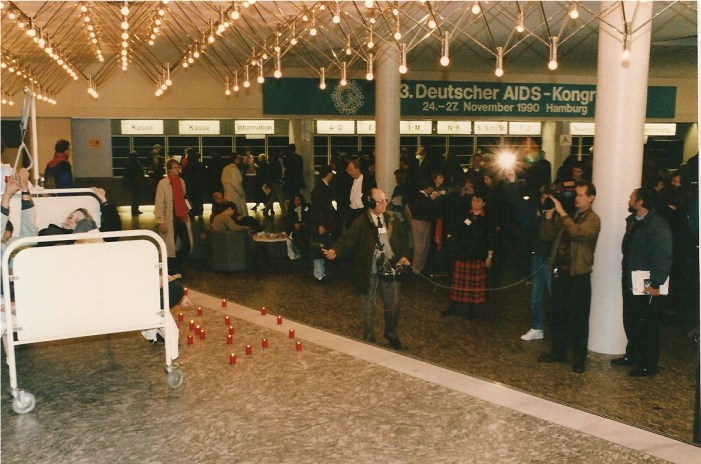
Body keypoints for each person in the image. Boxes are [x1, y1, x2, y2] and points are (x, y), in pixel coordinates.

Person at [323, 188, 411, 349]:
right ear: (371, 203)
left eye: (385, 200)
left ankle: (391, 333)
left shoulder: (392, 219)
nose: (385, 204)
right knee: (368, 305)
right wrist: (335, 251)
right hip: (368, 269)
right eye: (381, 201)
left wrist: (404, 256)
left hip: (389, 267)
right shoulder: (361, 222)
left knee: (393, 303)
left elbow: (404, 241)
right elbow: (347, 239)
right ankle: (368, 336)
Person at [538, 180, 601, 374]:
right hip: (562, 272)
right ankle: (558, 352)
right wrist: (548, 217)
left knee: (579, 319)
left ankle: (579, 360)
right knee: (557, 314)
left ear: (592, 197)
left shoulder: (593, 219)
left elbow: (578, 233)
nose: (577, 198)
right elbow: (547, 236)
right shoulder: (570, 216)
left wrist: (563, 214)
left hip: (579, 275)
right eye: (576, 195)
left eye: (581, 195)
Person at [611, 188, 672, 377]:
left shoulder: (657, 226)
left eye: (631, 198)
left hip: (647, 283)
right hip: (632, 279)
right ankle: (633, 354)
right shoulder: (633, 222)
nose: (628, 200)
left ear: (640, 202)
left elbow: (663, 256)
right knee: (631, 319)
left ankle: (648, 363)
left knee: (647, 323)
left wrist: (655, 283)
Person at [441, 189, 494, 320]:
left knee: (473, 286)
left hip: (477, 257)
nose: (475, 203)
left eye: (478, 200)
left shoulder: (487, 219)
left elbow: (491, 239)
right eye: (473, 200)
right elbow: (457, 228)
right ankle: (453, 308)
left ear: (484, 203)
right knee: (457, 284)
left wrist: (489, 256)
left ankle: (471, 311)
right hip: (462, 254)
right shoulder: (465, 215)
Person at [155, 159, 192, 275]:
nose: (178, 170)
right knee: (169, 246)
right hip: (169, 218)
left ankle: (179, 264)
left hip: (181, 217)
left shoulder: (181, 182)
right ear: (169, 169)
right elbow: (159, 203)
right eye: (175, 168)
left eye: (178, 167)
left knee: (186, 244)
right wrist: (161, 221)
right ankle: (172, 268)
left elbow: (184, 197)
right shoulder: (163, 183)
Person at [310, 165, 340, 283]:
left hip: (325, 223)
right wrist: (320, 224)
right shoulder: (320, 189)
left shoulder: (323, 187)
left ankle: (321, 273)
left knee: (323, 246)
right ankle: (319, 274)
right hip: (322, 223)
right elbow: (317, 209)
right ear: (328, 174)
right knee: (320, 247)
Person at [342, 158, 376, 230]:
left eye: (350, 170)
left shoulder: (368, 180)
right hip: (351, 212)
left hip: (363, 212)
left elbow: (373, 196)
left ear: (357, 169)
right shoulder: (348, 181)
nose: (349, 172)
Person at [286, 193, 311, 259]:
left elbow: (309, 218)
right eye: (295, 200)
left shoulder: (306, 207)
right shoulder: (291, 209)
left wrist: (301, 224)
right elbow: (289, 220)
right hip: (295, 226)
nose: (297, 202)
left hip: (305, 225)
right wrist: (295, 223)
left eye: (298, 200)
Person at [123, 151, 145, 216]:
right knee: (136, 197)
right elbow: (140, 172)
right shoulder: (137, 163)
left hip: (131, 183)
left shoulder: (128, 164)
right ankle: (135, 209)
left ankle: (134, 210)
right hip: (137, 183)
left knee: (133, 197)